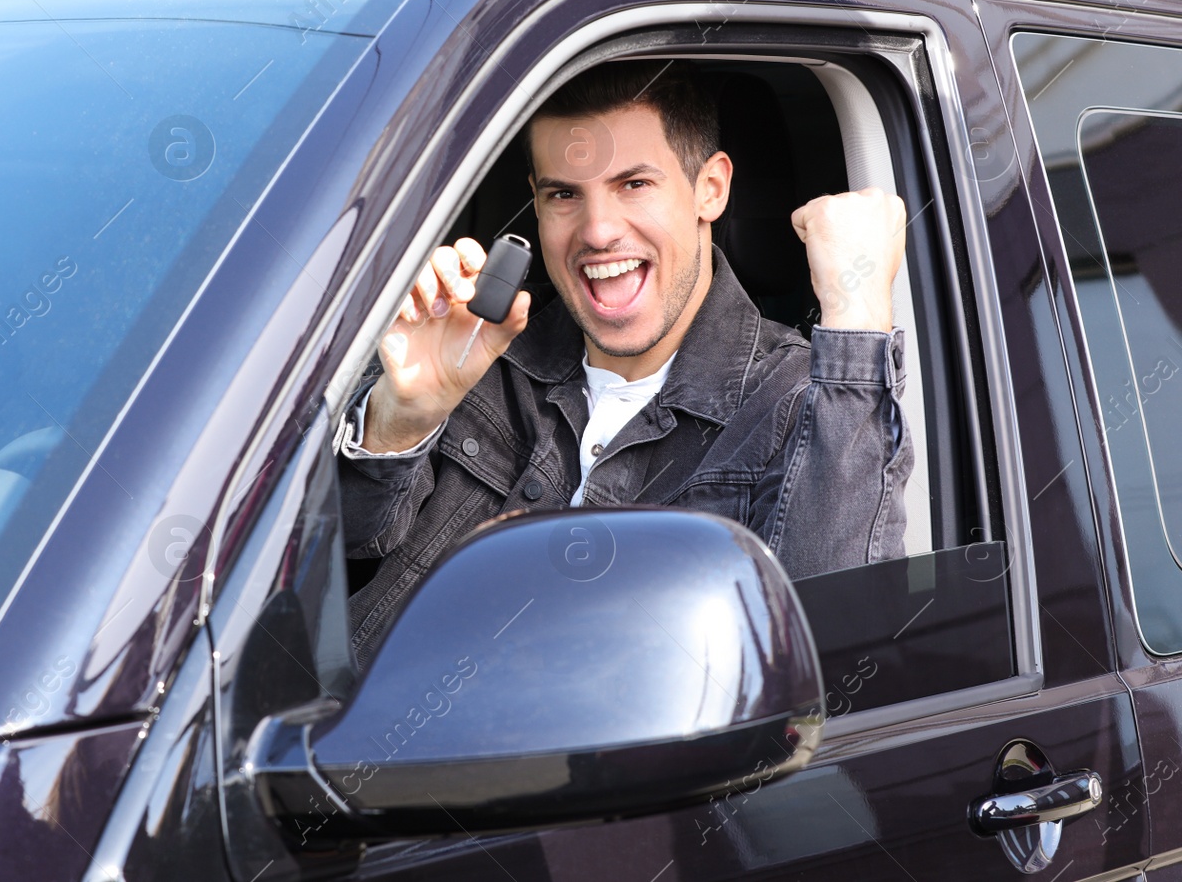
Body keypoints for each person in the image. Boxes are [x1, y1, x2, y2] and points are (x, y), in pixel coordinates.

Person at [337, 60, 913, 669]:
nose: (599, 230)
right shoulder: (474, 355)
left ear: (710, 189)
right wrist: (401, 420)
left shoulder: (797, 401)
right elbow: (314, 586)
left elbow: (838, 662)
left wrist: (856, 314)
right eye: (564, 194)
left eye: (634, 184)